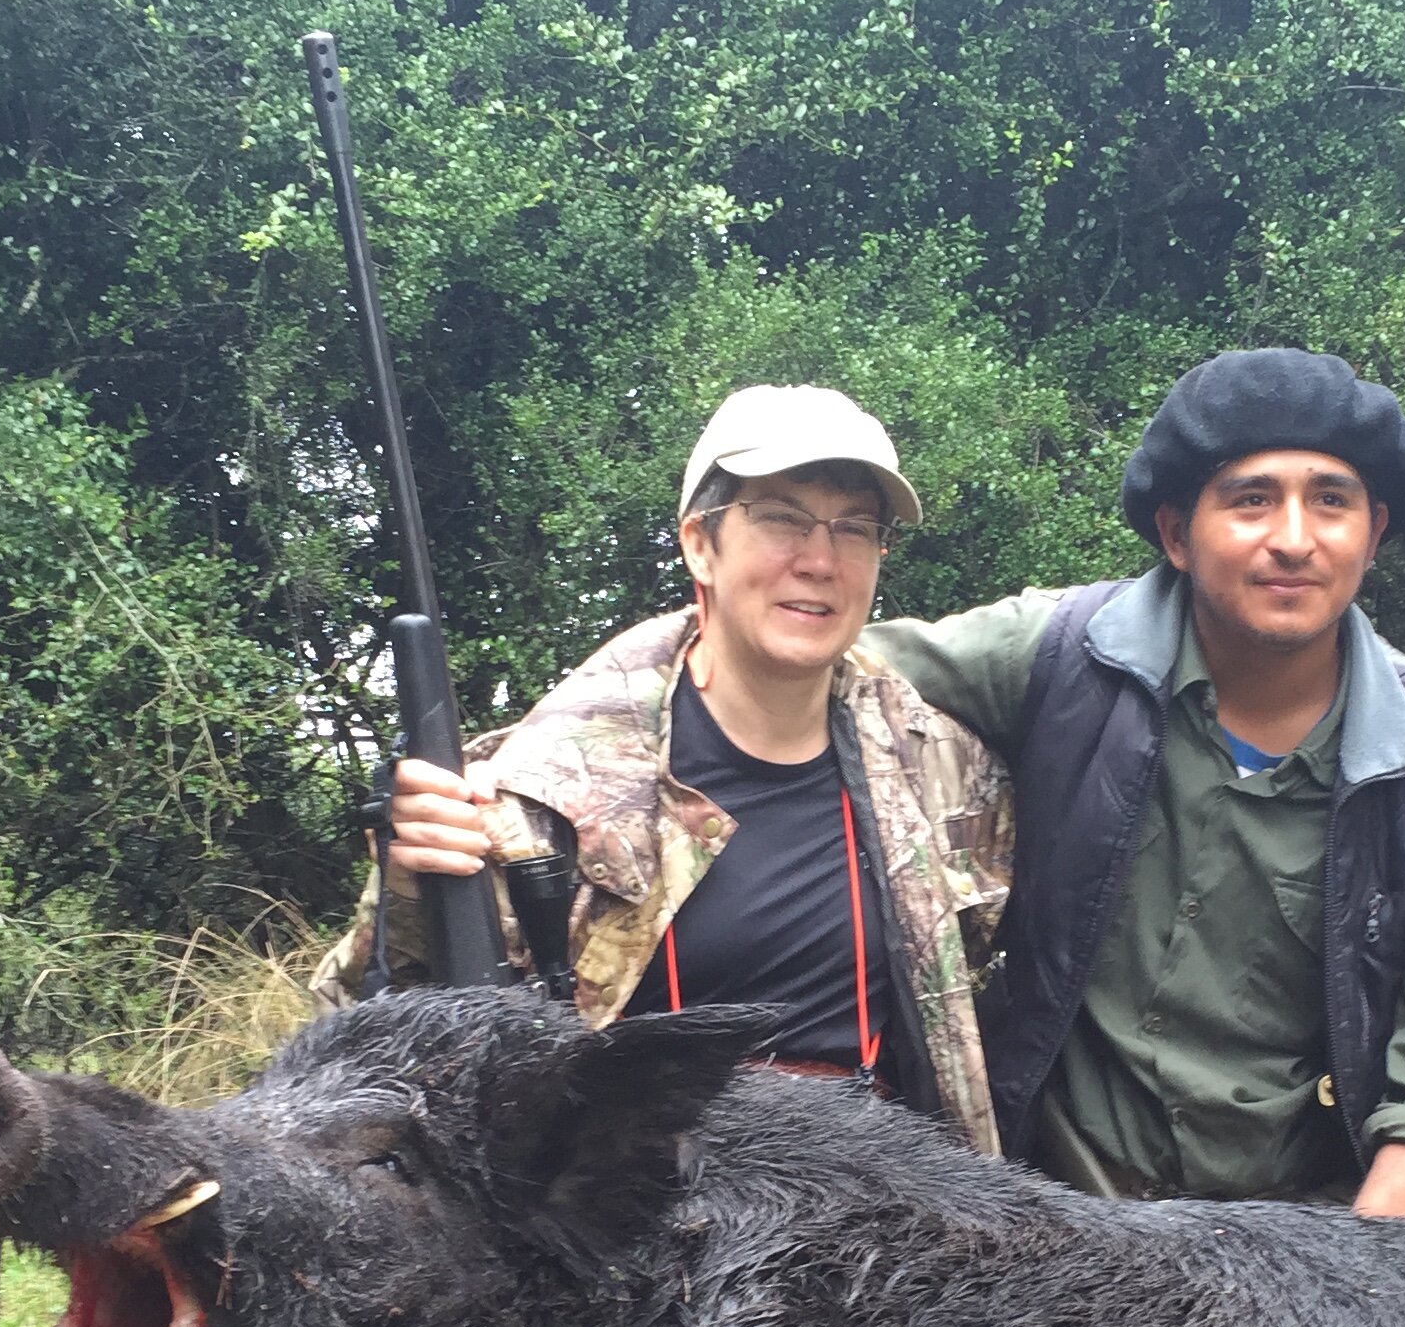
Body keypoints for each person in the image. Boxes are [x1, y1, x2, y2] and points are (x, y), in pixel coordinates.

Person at [858, 348, 1405, 1219]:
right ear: (1177, 534)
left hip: (1306, 1227)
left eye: (1331, 500)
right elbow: (815, 663)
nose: (1293, 538)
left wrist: (1355, 1288)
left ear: (1374, 533)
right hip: (1037, 1202)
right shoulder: (1062, 659)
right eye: (1251, 499)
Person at [322, 384, 1012, 1149]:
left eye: (855, 527)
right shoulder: (536, 796)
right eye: (781, 517)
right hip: (638, 1217)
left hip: (875, 1213)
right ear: (698, 544)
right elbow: (360, 1040)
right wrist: (412, 887)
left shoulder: (945, 767)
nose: (820, 560)